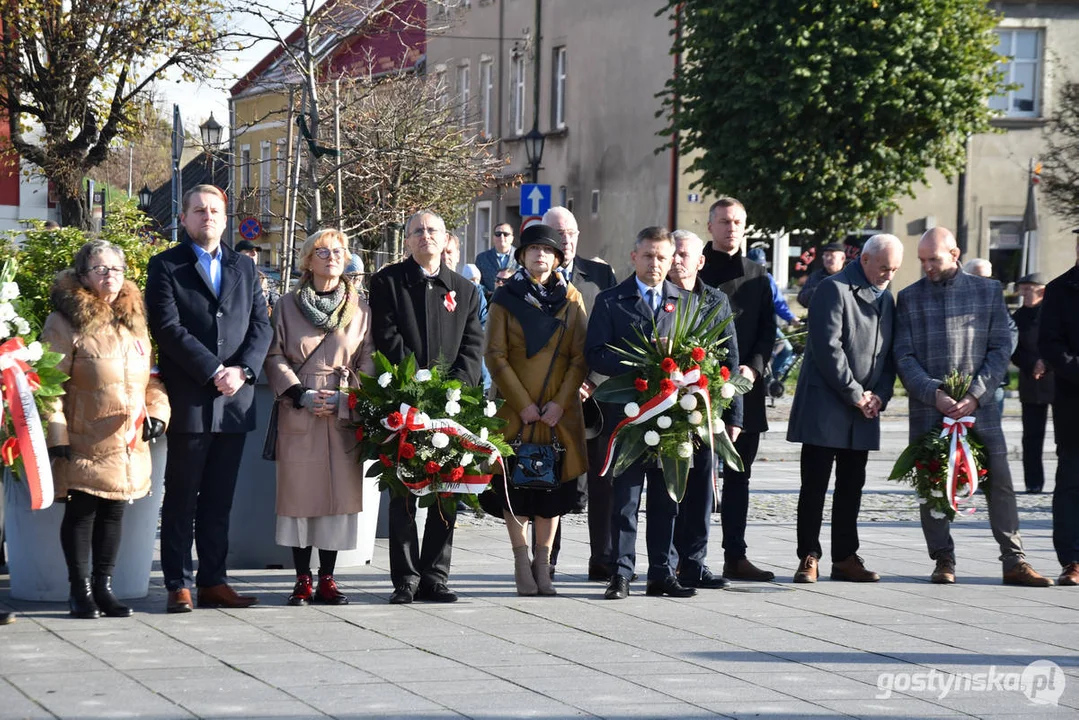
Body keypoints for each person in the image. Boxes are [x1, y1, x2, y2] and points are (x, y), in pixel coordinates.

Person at [894, 227, 1051, 587]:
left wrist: (975, 394)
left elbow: (1000, 347)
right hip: (930, 406)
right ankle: (942, 558)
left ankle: (1014, 559)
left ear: (955, 253)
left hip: (979, 407)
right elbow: (903, 355)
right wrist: (934, 393)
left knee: (999, 480)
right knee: (933, 483)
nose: (927, 267)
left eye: (934, 259)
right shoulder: (910, 297)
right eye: (922, 260)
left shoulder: (987, 291)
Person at [145, 184, 273, 613]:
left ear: (226, 217)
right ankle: (178, 583)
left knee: (220, 499)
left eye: (215, 210)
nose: (208, 217)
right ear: (183, 219)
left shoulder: (244, 267)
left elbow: (261, 326)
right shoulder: (166, 266)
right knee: (182, 497)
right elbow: (167, 327)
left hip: (235, 400)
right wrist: (213, 370)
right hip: (192, 398)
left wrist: (244, 370)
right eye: (198, 211)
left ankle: (213, 581)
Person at [41, 240, 170, 618]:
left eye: (115, 268)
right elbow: (49, 382)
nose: (109, 276)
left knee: (115, 512)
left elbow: (152, 379)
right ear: (82, 277)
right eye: (100, 269)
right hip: (84, 435)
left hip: (127, 438)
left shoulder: (135, 321)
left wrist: (158, 412)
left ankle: (104, 587)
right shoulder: (64, 322)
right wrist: (57, 434)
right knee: (82, 512)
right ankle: (79, 591)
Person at [369, 210, 483, 604]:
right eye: (417, 231)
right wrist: (418, 388)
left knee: (444, 489)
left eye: (432, 230)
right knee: (403, 492)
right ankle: (406, 579)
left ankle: (435, 576)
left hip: (451, 407)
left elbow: (473, 347)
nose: (425, 236)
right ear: (407, 241)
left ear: (446, 238)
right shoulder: (387, 282)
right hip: (404, 403)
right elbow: (387, 336)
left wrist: (453, 392)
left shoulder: (465, 290)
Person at [263, 229, 375, 606]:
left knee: (337, 499)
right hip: (300, 409)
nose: (331, 257)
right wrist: (301, 394)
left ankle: (328, 577)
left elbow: (369, 361)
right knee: (299, 498)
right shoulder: (286, 305)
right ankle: (301, 578)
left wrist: (346, 399)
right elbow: (273, 355)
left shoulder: (360, 309)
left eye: (338, 251)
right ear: (307, 260)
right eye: (322, 251)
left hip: (342, 411)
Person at [586, 226, 696, 600]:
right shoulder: (611, 300)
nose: (655, 264)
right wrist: (641, 360)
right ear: (634, 257)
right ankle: (621, 573)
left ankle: (662, 572)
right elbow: (595, 353)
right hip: (628, 416)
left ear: (672, 260)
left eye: (663, 257)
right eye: (648, 256)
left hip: (670, 419)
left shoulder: (684, 301)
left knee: (667, 499)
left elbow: (699, 356)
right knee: (626, 501)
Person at [786, 234, 903, 584]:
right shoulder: (834, 289)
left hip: (864, 408)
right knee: (815, 486)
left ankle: (845, 556)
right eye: (884, 267)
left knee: (852, 486)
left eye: (894, 269)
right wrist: (857, 394)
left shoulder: (887, 299)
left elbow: (888, 355)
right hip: (827, 405)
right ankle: (809, 555)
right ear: (864, 259)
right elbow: (827, 349)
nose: (888, 275)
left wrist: (880, 395)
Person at [484, 224, 588, 596]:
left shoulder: (573, 299)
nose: (540, 255)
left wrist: (560, 403)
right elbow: (494, 355)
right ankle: (520, 559)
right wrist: (523, 403)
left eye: (548, 250)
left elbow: (580, 357)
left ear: (559, 257)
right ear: (521, 256)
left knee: (552, 491)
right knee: (516, 489)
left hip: (558, 413)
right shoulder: (505, 298)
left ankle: (542, 564)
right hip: (517, 410)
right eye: (532, 250)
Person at [699, 197, 777, 582]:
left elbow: (768, 331)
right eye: (725, 222)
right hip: (694, 389)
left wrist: (755, 367)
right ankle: (689, 557)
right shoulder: (694, 269)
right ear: (710, 226)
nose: (731, 228)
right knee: (693, 472)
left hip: (744, 389)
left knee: (739, 475)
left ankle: (736, 555)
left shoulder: (758, 275)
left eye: (738, 222)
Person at [542, 205, 618, 581]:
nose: (566, 241)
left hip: (595, 396)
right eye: (558, 234)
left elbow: (614, 332)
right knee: (552, 475)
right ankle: (548, 556)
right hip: (551, 395)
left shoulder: (601, 275)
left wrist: (593, 380)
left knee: (602, 478)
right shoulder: (531, 278)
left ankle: (602, 557)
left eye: (571, 233)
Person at [668, 230, 742, 590]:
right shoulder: (658, 298)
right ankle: (665, 563)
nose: (677, 260)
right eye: (673, 253)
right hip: (663, 406)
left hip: (705, 408)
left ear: (700, 262)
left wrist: (735, 416)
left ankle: (694, 563)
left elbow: (731, 356)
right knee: (668, 488)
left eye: (685, 254)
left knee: (701, 488)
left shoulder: (716, 301)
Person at [1038, 227, 1079, 586]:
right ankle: (1072, 560)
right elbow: (1050, 343)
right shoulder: (1060, 289)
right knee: (1070, 481)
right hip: (1073, 402)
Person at [1012, 273, 1052, 494]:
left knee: (1065, 437)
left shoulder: (1053, 313)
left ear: (1042, 291)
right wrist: (1031, 364)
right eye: (1022, 289)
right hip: (1031, 381)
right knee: (1032, 437)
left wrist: (1046, 363)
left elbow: (1059, 341)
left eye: (1028, 289)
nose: (1023, 293)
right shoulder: (1018, 317)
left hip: (1057, 379)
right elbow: (1013, 350)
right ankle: (1033, 482)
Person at [747, 247, 800, 378]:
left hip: (767, 325)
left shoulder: (767, 278)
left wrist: (791, 318)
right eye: (757, 265)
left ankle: (771, 382)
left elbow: (778, 302)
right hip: (746, 327)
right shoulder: (741, 279)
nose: (760, 268)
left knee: (786, 349)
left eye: (762, 265)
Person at [797, 242, 846, 311]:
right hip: (821, 319)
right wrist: (820, 290)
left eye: (832, 256)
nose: (828, 258)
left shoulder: (849, 276)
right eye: (826, 255)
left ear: (842, 258)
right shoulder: (815, 276)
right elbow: (802, 300)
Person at [475, 222, 518, 294]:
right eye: (498, 234)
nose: (501, 237)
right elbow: (478, 282)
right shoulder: (482, 258)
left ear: (512, 238)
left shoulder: (520, 257)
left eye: (505, 234)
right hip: (490, 301)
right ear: (493, 238)